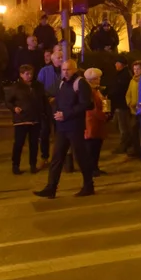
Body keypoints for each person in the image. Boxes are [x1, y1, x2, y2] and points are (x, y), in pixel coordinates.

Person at [33, 59, 96, 199]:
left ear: (75, 69)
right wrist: (56, 113)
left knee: (80, 157)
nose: (65, 72)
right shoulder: (62, 83)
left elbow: (85, 104)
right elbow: (58, 101)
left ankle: (88, 185)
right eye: (63, 69)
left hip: (75, 126)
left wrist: (66, 114)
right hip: (62, 127)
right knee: (56, 157)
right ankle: (51, 188)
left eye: (68, 69)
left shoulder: (80, 83)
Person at [4, 64, 45, 175]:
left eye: (31, 73)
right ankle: (15, 165)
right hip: (21, 120)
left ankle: (33, 165)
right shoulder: (16, 87)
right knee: (19, 143)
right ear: (21, 74)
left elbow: (43, 99)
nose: (29, 76)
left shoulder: (38, 86)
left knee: (34, 144)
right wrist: (14, 108)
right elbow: (8, 101)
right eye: (27, 74)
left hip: (35, 119)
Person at [83, 68, 108, 177]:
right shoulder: (90, 92)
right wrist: (104, 115)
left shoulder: (96, 90)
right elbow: (93, 109)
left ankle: (95, 167)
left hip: (97, 122)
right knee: (92, 147)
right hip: (92, 122)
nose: (99, 80)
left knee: (96, 146)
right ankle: (91, 169)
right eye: (97, 78)